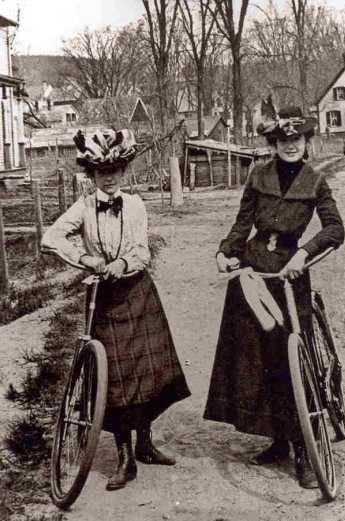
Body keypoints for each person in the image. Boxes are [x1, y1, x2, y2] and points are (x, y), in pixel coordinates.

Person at [203, 106, 345, 488]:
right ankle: (278, 440)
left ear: (306, 141)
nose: (290, 146)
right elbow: (242, 223)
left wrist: (303, 253)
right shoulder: (258, 175)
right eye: (283, 140)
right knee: (257, 357)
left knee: (292, 358)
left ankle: (305, 449)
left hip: (290, 273)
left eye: (297, 139)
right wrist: (225, 251)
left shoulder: (315, 180)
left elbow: (335, 229)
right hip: (253, 273)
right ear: (274, 143)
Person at [41, 129, 190, 491]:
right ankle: (125, 457)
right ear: (91, 175)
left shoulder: (136, 205)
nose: (109, 177)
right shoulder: (84, 207)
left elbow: (141, 250)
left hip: (137, 291)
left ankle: (146, 444)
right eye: (101, 171)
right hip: (103, 299)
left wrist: (122, 264)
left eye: (115, 170)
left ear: (123, 171)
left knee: (147, 371)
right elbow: (50, 238)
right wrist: (85, 258)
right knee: (116, 378)